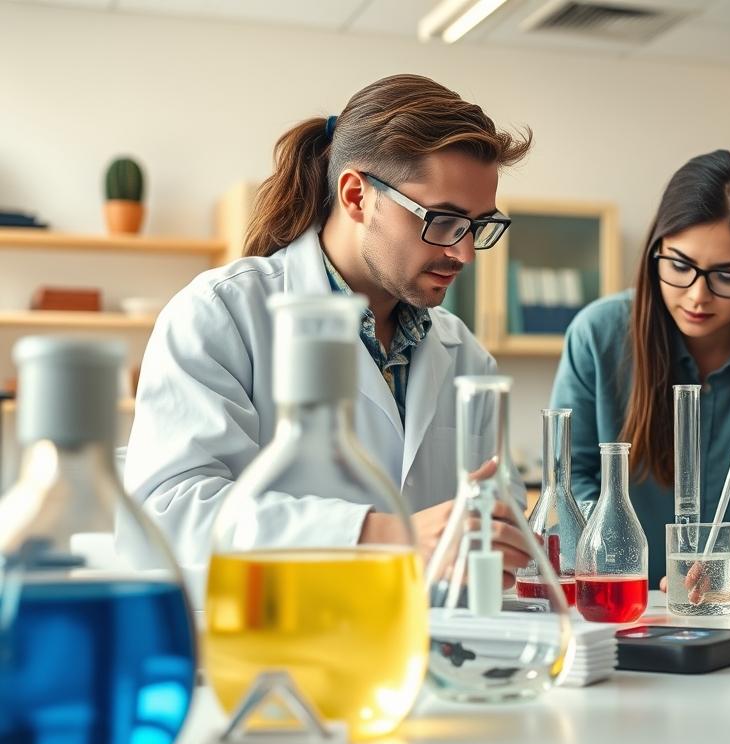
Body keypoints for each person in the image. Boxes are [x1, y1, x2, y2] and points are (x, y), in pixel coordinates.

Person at [124, 74, 530, 575]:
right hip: (274, 636)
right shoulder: (221, 312)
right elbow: (170, 513)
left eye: (478, 226)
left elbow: (495, 515)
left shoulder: (463, 351)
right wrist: (383, 536)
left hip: (421, 641)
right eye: (442, 220)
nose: (464, 252)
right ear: (357, 195)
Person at [551, 150, 730, 602]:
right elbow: (570, 480)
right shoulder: (598, 335)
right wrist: (618, 552)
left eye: (727, 275)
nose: (697, 296)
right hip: (626, 603)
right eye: (679, 266)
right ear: (656, 248)